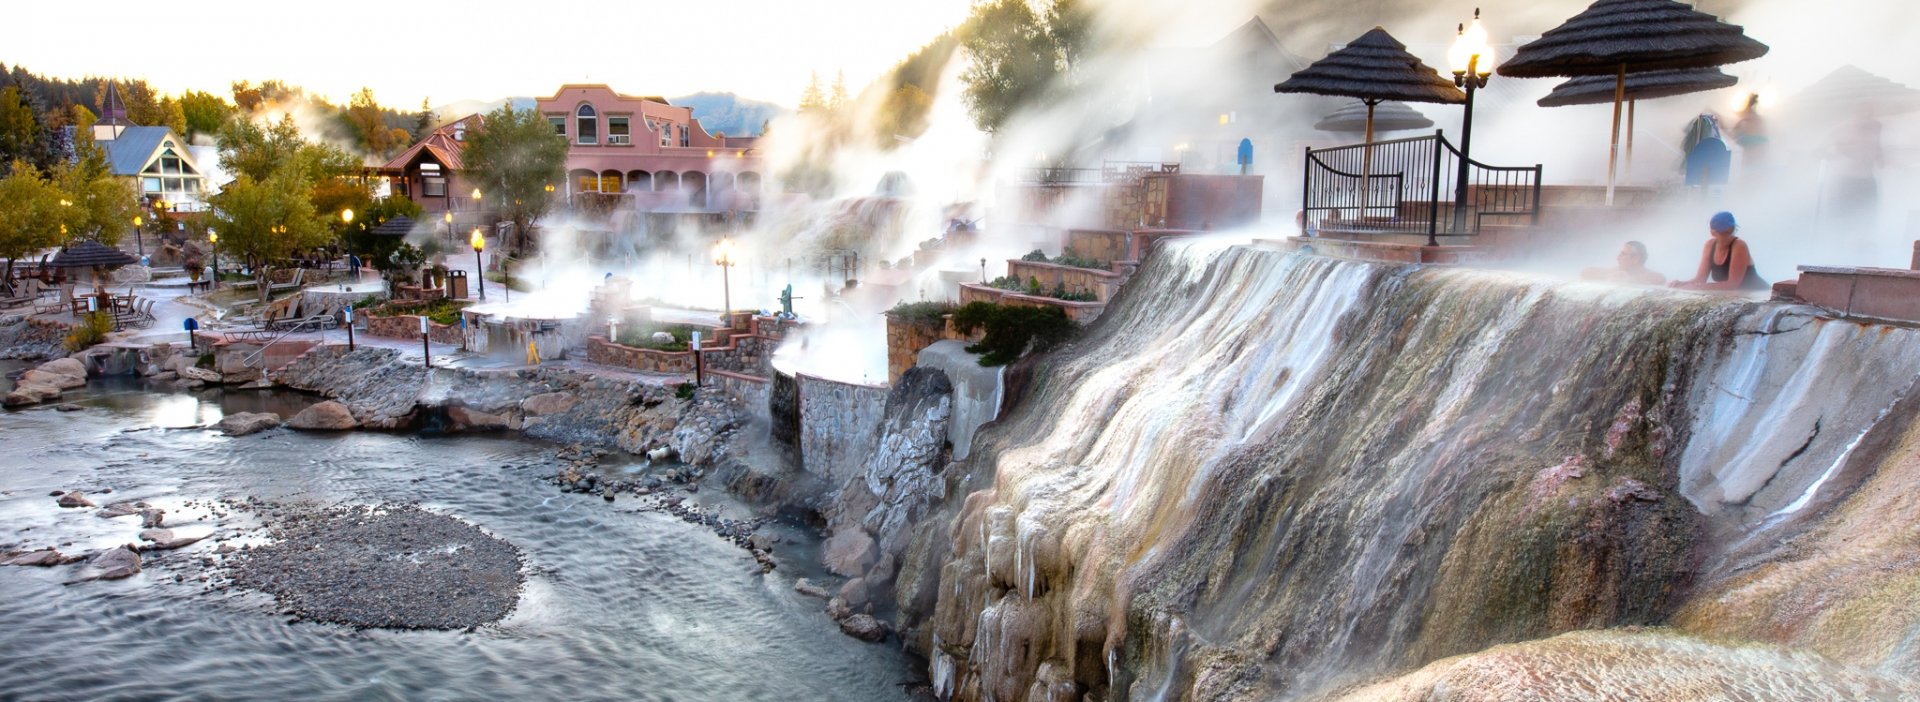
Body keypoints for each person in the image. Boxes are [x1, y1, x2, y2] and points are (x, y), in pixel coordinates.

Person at [1671, 212, 1766, 292]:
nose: (1725, 236)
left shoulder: (1739, 246)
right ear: (1712, 232)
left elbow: (1732, 284)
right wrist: (1681, 283)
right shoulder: (1709, 245)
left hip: (1758, 292)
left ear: (1733, 230)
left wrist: (1699, 287)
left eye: (1727, 232)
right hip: (1738, 294)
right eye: (1721, 233)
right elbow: (1700, 279)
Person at [1582, 240, 1666, 285]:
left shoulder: (1650, 275)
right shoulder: (1615, 271)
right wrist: (1607, 276)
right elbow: (1586, 272)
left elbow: (1660, 279)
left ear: (1636, 258)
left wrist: (1629, 279)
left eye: (1623, 254)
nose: (1617, 258)